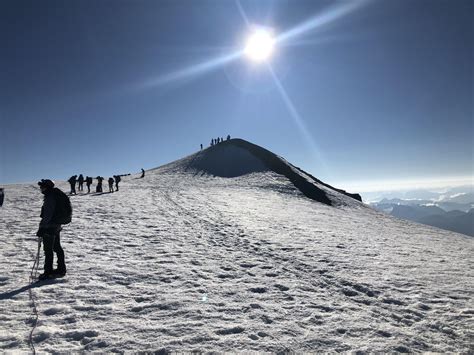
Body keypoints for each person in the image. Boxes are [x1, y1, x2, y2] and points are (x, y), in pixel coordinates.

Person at [36, 179, 70, 280]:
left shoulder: (50, 197)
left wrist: (42, 228)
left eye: (42, 187)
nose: (41, 188)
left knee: (48, 250)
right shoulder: (55, 195)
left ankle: (48, 272)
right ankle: (61, 269)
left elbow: (48, 214)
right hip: (56, 226)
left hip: (49, 227)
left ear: (47, 187)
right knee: (57, 247)